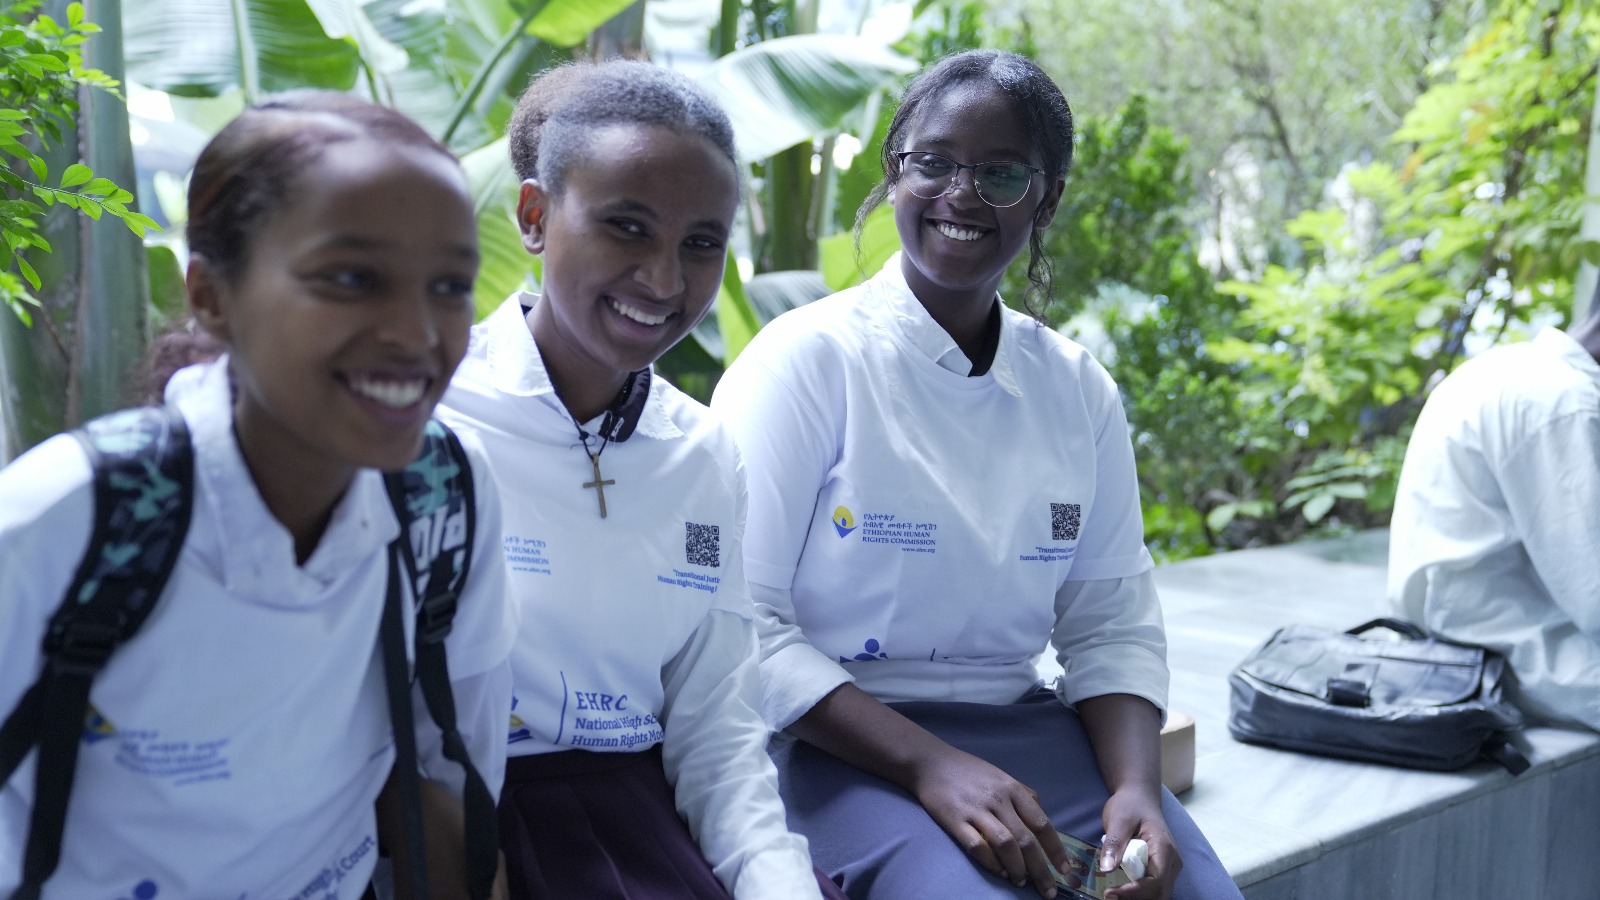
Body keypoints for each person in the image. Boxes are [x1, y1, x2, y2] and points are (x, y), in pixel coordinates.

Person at [710, 50, 1243, 900]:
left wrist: (1138, 791)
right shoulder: (804, 364)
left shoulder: (1076, 390)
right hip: (833, 746)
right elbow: (739, 623)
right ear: (895, 175)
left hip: (1030, 740)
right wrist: (931, 765)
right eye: (933, 163)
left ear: (1047, 199)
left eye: (1000, 174)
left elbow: (1109, 625)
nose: (961, 194)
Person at [0, 92, 515, 898]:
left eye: (450, 285)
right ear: (211, 297)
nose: (416, 333)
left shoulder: (442, 493)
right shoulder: (69, 520)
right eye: (352, 278)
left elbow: (451, 775)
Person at [436, 61, 840, 900]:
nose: (663, 280)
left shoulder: (703, 452)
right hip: (460, 823)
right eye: (627, 227)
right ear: (535, 217)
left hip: (641, 819)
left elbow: (718, 732)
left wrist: (779, 884)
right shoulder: (431, 415)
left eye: (701, 243)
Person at [1388, 281, 1600, 733]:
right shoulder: (1567, 406)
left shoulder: (1508, 367)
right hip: (1506, 655)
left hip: (1459, 630)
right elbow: (1595, 596)